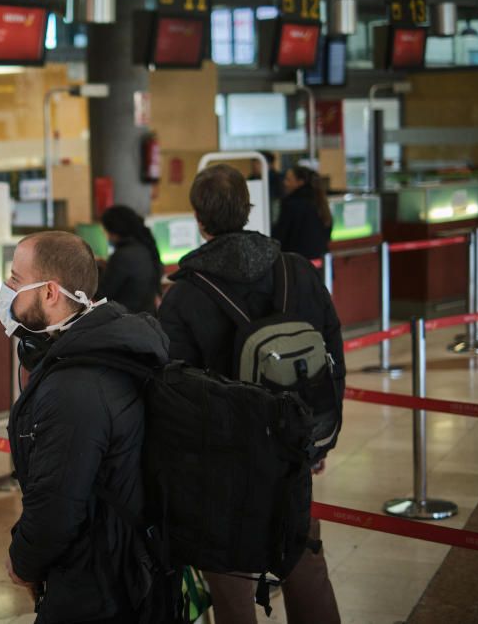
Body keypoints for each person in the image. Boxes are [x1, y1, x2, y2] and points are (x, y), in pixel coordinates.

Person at [158, 164, 343, 624]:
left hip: (222, 460)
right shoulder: (296, 270)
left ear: (199, 218)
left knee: (229, 577)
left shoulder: (184, 295)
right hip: (290, 443)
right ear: (249, 209)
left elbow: (175, 391)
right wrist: (318, 436)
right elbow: (331, 353)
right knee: (303, 554)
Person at [1, 231, 170, 623]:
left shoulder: (75, 387)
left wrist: (22, 562)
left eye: (15, 279)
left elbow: (56, 506)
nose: (6, 290)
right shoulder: (106, 343)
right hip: (122, 569)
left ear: (49, 293)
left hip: (98, 587)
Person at [96, 205, 163, 314]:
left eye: (105, 231)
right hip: (146, 318)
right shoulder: (146, 249)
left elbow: (102, 294)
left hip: (126, 319)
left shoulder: (122, 256)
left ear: (114, 232)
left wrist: (94, 270)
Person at [273, 165, 333, 261]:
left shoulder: (291, 205)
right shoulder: (320, 202)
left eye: (288, 180)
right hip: (320, 261)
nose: (284, 183)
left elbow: (280, 237)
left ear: (300, 182)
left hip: (298, 263)